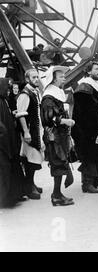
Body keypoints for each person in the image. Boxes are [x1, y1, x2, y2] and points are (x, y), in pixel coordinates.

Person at [72, 62, 98, 193]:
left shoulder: (93, 86)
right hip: (86, 128)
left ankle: (97, 180)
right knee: (88, 153)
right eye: (96, 69)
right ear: (88, 72)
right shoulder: (83, 87)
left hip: (95, 125)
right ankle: (87, 183)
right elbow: (82, 112)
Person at [41, 66, 75, 206]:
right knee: (58, 164)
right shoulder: (49, 97)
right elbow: (48, 119)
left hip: (59, 135)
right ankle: (56, 196)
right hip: (54, 136)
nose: (64, 78)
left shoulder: (56, 94)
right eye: (61, 76)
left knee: (60, 163)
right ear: (54, 79)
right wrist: (65, 121)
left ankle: (57, 194)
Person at [15, 69, 44, 200]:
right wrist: (26, 132)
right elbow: (21, 114)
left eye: (37, 77)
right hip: (29, 132)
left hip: (36, 130)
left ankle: (31, 183)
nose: (37, 79)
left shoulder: (34, 92)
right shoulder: (25, 94)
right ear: (27, 79)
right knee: (31, 159)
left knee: (35, 158)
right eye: (34, 77)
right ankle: (28, 187)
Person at [0, 78, 26, 208]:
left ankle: (14, 196)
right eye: (7, 89)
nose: (9, 91)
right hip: (3, 144)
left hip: (8, 141)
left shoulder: (3, 101)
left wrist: (11, 114)